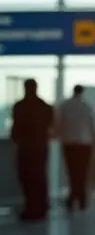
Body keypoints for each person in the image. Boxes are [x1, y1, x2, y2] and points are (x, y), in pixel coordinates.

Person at [11, 79, 54, 221]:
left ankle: (30, 208)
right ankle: (41, 208)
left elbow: (15, 129)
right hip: (40, 147)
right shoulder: (45, 107)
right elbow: (51, 127)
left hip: (25, 148)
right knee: (39, 177)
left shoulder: (19, 106)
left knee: (26, 178)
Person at [55, 85, 95, 212]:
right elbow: (94, 128)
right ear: (82, 92)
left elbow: (58, 125)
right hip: (84, 145)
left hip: (69, 144)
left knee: (72, 172)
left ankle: (73, 198)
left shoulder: (65, 106)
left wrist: (57, 136)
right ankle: (81, 199)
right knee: (83, 172)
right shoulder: (87, 107)